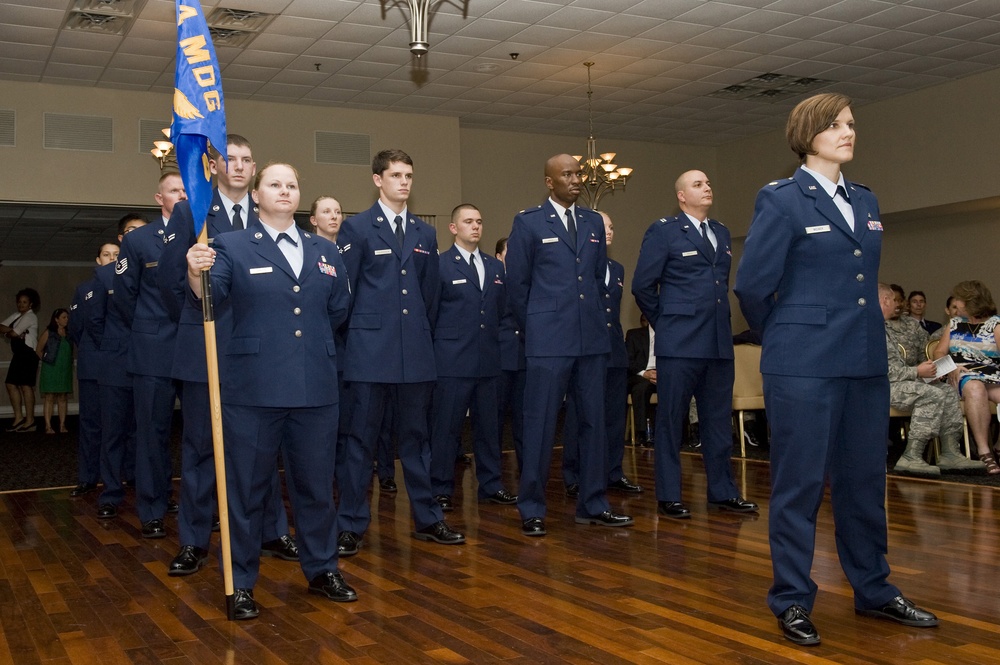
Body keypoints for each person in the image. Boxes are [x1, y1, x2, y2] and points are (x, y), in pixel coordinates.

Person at [734, 92, 938, 646]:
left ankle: (874, 589)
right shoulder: (781, 199)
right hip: (802, 364)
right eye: (837, 125)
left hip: (863, 361)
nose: (849, 132)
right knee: (799, 486)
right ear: (808, 133)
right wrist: (787, 331)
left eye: (851, 124)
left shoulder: (865, 201)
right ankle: (793, 600)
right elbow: (752, 285)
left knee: (864, 484)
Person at [186, 162, 355, 620]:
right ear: (256, 195)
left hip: (316, 389)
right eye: (275, 184)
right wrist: (194, 270)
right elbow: (209, 296)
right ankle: (240, 583)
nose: (284, 191)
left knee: (317, 488)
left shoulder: (324, 249)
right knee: (246, 492)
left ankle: (322, 569)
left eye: (292, 185)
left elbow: (338, 308)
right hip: (253, 391)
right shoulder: (230, 245)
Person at [158, 135, 299, 577]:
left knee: (263, 447)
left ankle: (271, 531)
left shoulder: (266, 215)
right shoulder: (192, 212)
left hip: (259, 353)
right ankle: (195, 541)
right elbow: (167, 281)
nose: (238, 166)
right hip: (208, 349)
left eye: (245, 160)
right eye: (229, 159)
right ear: (215, 167)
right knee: (203, 447)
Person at [335, 149, 465, 555]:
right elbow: (346, 293)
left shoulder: (425, 234)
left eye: (408, 175)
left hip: (415, 353)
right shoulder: (356, 228)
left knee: (416, 441)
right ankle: (351, 524)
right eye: (395, 175)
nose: (403, 182)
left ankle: (428, 518)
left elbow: (430, 296)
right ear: (378, 180)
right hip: (369, 352)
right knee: (360, 441)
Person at [505, 153, 633, 537]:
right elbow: (517, 287)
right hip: (547, 341)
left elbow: (596, 281)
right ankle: (532, 507)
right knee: (541, 424)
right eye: (568, 174)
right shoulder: (528, 223)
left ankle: (593, 504)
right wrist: (535, 331)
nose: (576, 180)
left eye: (578, 174)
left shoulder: (593, 222)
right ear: (549, 182)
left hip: (591, 340)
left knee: (594, 423)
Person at [632, 170, 756, 521]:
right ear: (682, 196)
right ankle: (669, 495)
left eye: (708, 182)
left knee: (718, 422)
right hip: (681, 343)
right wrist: (668, 323)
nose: (707, 187)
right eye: (698, 184)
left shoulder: (719, 232)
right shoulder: (664, 231)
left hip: (717, 343)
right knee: (672, 422)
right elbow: (643, 287)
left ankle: (723, 492)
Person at [429, 204, 517, 511]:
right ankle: (440, 488)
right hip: (451, 361)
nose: (475, 227)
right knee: (446, 429)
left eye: (479, 221)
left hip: (488, 361)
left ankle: (491, 485)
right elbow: (430, 314)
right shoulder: (440, 265)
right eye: (468, 222)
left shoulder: (495, 268)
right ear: (453, 228)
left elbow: (503, 312)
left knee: (489, 429)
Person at [113, 173, 186, 538]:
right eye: (175, 191)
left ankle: (197, 505)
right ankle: (153, 508)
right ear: (160, 197)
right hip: (153, 350)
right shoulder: (139, 240)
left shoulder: (208, 235)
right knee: (152, 434)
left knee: (201, 434)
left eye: (188, 190)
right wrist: (149, 327)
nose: (183, 196)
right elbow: (125, 297)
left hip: (194, 350)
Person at [563, 211, 642, 496]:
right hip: (587, 351)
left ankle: (613, 471)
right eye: (602, 226)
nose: (608, 231)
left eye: (611, 226)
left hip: (614, 352)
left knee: (613, 416)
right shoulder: (578, 266)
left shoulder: (618, 268)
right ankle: (573, 472)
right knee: (580, 414)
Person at [880, 283, 984, 476]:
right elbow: (884, 372)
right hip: (881, 386)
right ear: (885, 300)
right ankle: (911, 455)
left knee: (947, 392)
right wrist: (917, 372)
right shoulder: (872, 330)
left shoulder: (886, 328)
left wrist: (936, 369)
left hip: (902, 380)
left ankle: (950, 453)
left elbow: (912, 361)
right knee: (932, 394)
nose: (897, 304)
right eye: (894, 300)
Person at [94, 214, 147, 517]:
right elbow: (96, 322)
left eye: (142, 231)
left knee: (148, 434)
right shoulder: (105, 276)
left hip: (149, 363)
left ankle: (151, 491)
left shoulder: (157, 269)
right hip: (115, 364)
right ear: (121, 239)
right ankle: (111, 494)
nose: (136, 236)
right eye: (130, 232)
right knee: (113, 433)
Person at [67, 241, 120, 497]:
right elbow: (76, 328)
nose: (110, 259)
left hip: (123, 366)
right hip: (93, 367)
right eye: (106, 255)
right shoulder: (84, 289)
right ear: (98, 260)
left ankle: (126, 475)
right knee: (91, 425)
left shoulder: (128, 286)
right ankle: (87, 477)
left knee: (123, 426)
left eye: (116, 255)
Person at [933, 280, 1000, 475]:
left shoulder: (995, 324)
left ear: (971, 302)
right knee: (975, 387)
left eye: (960, 299)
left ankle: (998, 445)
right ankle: (984, 451)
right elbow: (938, 353)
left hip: (992, 375)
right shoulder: (954, 324)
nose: (956, 302)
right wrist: (951, 366)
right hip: (963, 376)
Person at [495, 236, 525, 472]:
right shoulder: (493, 281)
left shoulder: (528, 281)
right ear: (499, 257)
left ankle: (528, 471)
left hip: (524, 359)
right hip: (499, 359)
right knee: (493, 420)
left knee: (525, 420)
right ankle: (493, 475)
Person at [2, 288, 41, 433]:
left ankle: (30, 420)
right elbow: (2, 327)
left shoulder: (31, 317)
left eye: (24, 302)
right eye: (19, 302)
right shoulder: (16, 315)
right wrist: (10, 333)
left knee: (26, 386)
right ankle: (19, 418)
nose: (21, 304)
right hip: (18, 354)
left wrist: (11, 333)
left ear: (31, 304)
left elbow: (13, 332)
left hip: (28, 354)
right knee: (10, 384)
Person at [35, 308, 73, 434]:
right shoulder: (49, 332)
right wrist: (47, 361)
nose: (66, 319)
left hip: (64, 369)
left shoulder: (68, 334)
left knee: (63, 397)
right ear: (56, 319)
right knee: (49, 397)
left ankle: (62, 425)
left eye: (67, 317)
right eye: (63, 317)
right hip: (51, 369)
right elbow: (39, 349)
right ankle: (48, 426)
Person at [625, 314, 656, 446]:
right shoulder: (634, 335)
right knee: (641, 388)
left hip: (665, 376)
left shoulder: (670, 335)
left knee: (679, 387)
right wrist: (645, 373)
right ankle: (642, 433)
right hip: (640, 375)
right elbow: (628, 361)